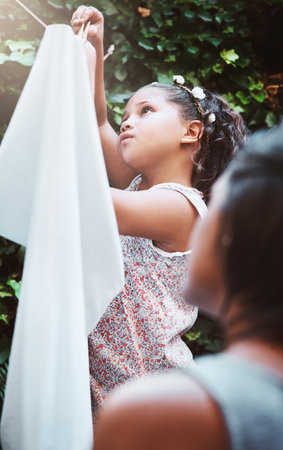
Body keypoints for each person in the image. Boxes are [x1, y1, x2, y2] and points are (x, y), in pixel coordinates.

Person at [70, 6, 248, 420]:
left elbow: (87, 198)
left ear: (191, 132)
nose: (127, 123)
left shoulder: (179, 207)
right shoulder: (137, 186)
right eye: (127, 114)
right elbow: (99, 123)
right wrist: (95, 47)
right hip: (110, 388)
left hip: (148, 392)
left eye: (145, 111)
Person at [94, 123, 283, 450]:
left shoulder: (160, 414)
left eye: (216, 204)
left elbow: (76, 194)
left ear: (235, 235)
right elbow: (99, 122)